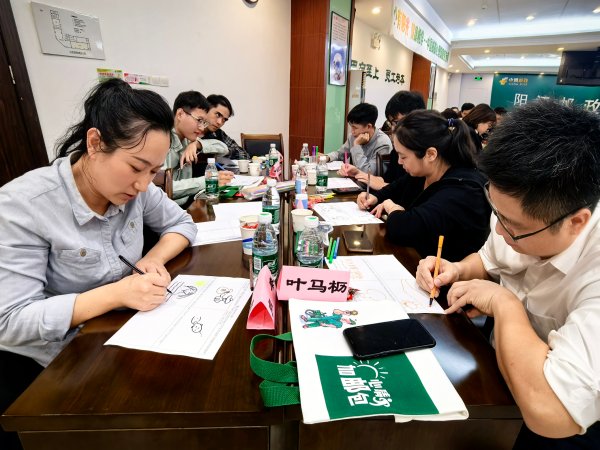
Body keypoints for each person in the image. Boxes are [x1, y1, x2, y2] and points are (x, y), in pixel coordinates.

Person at [0, 79, 198, 450]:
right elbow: (10, 322)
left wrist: (152, 259)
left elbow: (182, 224)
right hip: (55, 367)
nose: (144, 185)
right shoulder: (23, 205)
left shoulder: (136, 190)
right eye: (136, 167)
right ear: (94, 143)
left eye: (153, 171)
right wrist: (116, 294)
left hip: (121, 340)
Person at [416, 99, 600, 448]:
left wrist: (504, 304)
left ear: (576, 222)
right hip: (500, 373)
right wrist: (456, 269)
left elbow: (552, 413)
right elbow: (488, 260)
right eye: (497, 214)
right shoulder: (520, 216)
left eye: (513, 226)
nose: (500, 232)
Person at [357, 110, 490, 262]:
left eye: (403, 156)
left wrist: (391, 207)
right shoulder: (423, 172)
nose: (399, 162)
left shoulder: (463, 190)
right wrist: (374, 197)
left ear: (430, 154)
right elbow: (393, 189)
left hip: (445, 272)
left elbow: (404, 229)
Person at [340, 91, 425, 190]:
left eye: (396, 122)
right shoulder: (396, 152)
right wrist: (358, 173)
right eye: (391, 123)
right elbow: (387, 181)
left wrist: (356, 146)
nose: (393, 129)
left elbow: (401, 190)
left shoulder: (421, 155)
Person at [162, 91, 233, 207]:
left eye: (204, 122)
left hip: (185, 204)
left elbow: (223, 148)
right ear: (180, 114)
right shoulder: (162, 141)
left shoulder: (187, 139)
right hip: (167, 209)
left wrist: (197, 144)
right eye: (199, 120)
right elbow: (162, 188)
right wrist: (207, 181)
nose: (201, 128)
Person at [323, 103, 392, 176]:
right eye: (351, 127)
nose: (352, 132)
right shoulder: (353, 136)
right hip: (353, 180)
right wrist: (327, 157)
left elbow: (369, 173)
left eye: (355, 128)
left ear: (368, 126)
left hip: (369, 182)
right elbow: (340, 154)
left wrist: (356, 146)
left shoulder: (383, 143)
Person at [202, 94, 246, 161]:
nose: (219, 122)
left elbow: (244, 154)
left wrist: (223, 150)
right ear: (206, 110)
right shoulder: (192, 130)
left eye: (224, 119)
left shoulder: (218, 133)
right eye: (218, 115)